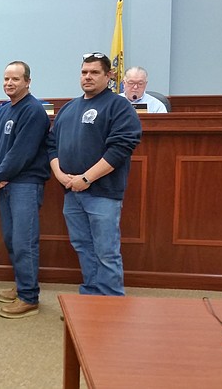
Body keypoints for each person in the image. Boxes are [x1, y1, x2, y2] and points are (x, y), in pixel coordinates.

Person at [46, 52, 142, 296]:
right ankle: (90, 298)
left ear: (109, 76)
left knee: (106, 251)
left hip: (102, 193)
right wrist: (59, 174)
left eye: (94, 72)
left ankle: (110, 303)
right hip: (71, 191)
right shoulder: (69, 108)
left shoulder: (119, 106)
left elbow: (120, 148)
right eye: (84, 72)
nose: (87, 77)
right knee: (83, 247)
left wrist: (86, 178)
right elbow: (51, 145)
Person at [0, 61, 50, 319]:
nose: (9, 83)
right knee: (12, 239)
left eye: (15, 79)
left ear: (27, 82)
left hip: (25, 184)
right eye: (6, 79)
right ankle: (23, 283)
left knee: (25, 241)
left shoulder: (34, 111)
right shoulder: (3, 110)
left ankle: (29, 296)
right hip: (5, 183)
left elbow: (22, 152)